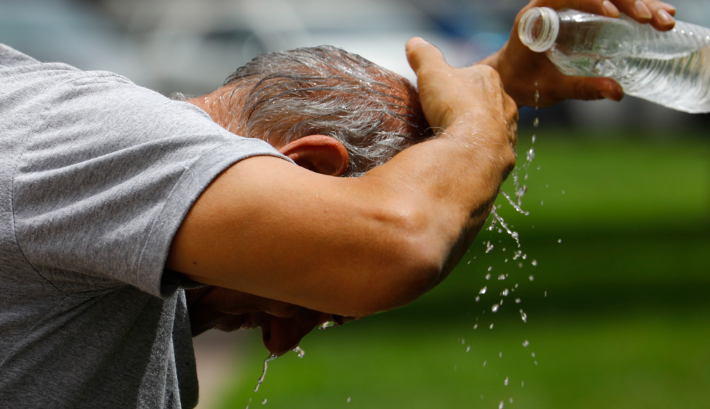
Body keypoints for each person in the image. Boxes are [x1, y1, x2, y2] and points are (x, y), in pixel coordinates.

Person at [0, 0, 676, 408]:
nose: (282, 339)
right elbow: (396, 243)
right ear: (312, 167)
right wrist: (475, 130)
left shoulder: (105, 192)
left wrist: (493, 84)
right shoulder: (96, 136)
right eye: (312, 298)